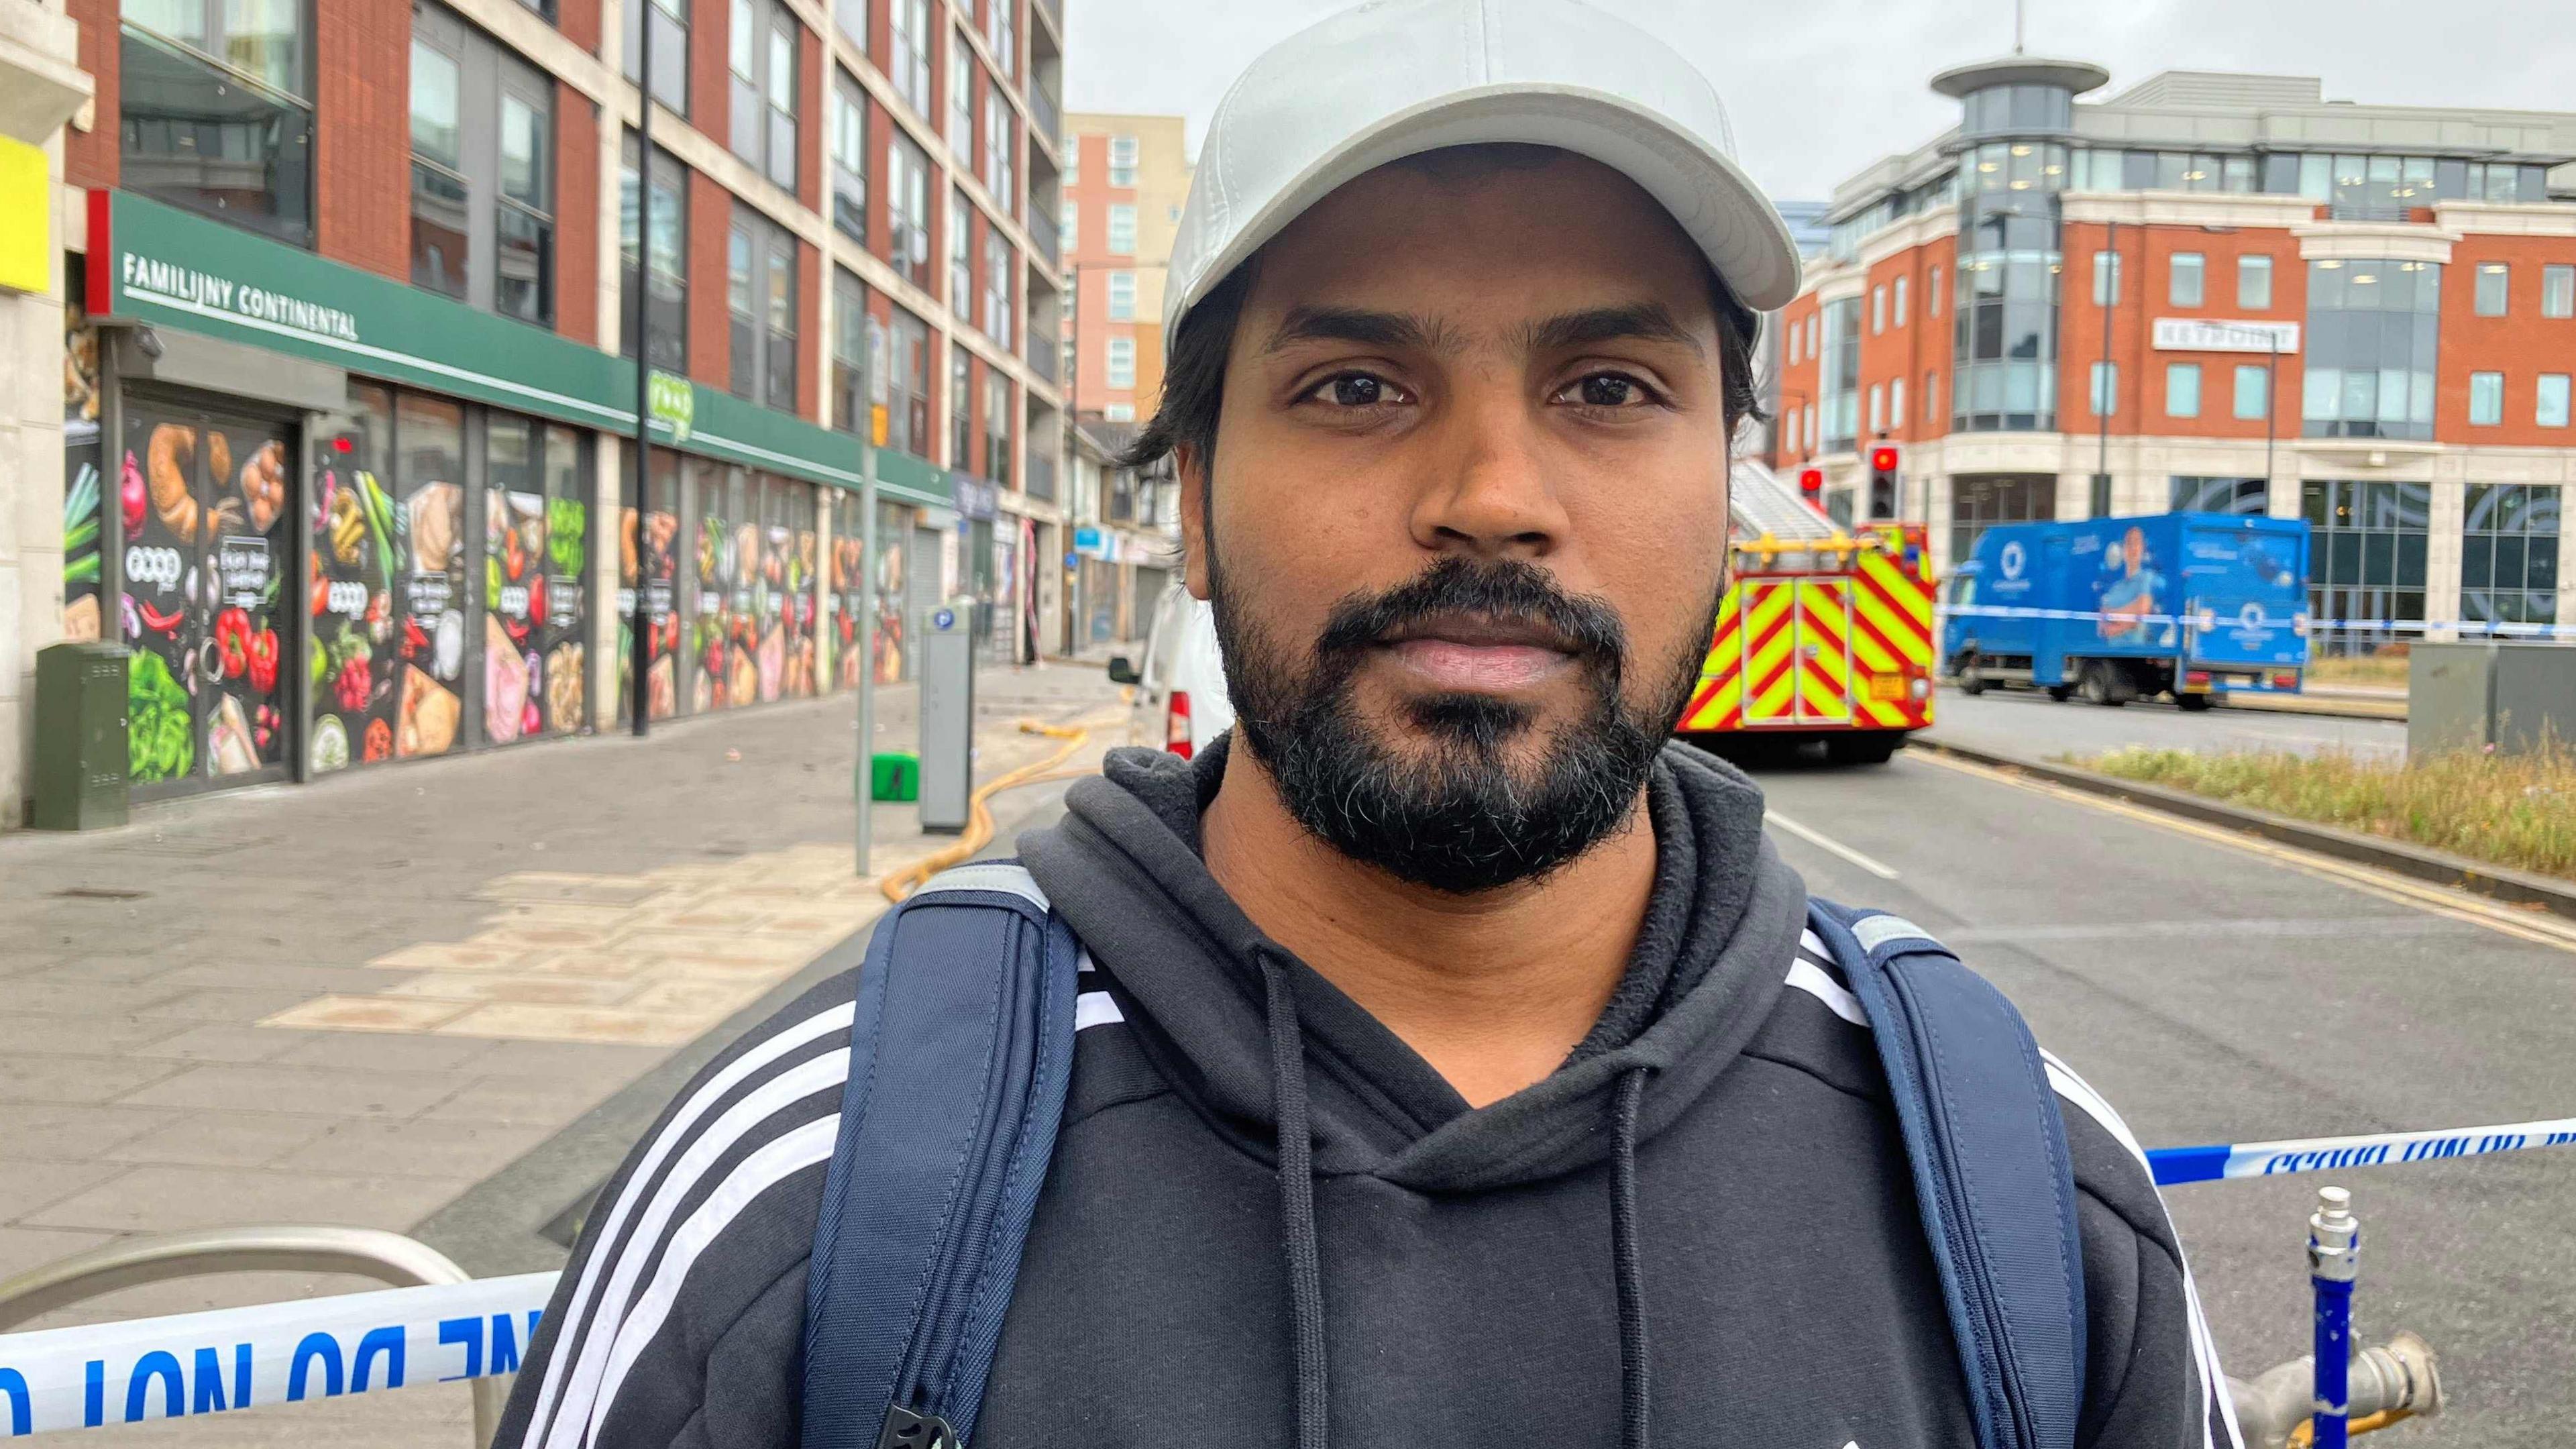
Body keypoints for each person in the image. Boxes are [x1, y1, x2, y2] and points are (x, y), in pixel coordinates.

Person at [497, 2, 2241, 1445]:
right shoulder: (802, 1194)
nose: (1492, 496)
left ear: (1734, 476)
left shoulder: (2013, 1181)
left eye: (1609, 387)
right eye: (1355, 388)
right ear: (1192, 496)